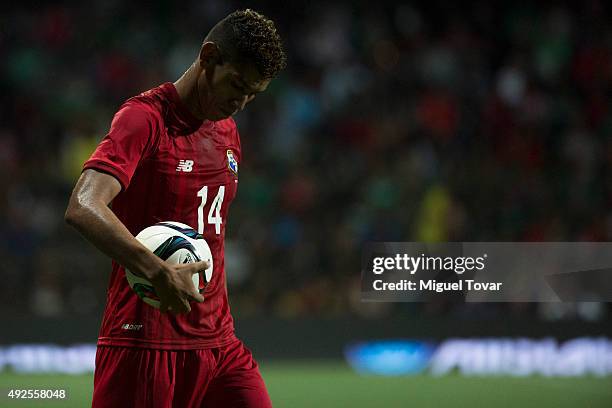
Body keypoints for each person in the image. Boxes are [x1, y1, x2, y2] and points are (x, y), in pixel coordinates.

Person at [64, 9, 286, 408]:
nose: (241, 103)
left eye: (253, 94)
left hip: (219, 344)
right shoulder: (144, 119)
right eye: (236, 85)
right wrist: (155, 269)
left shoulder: (228, 131)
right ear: (209, 56)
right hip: (146, 343)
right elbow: (83, 205)